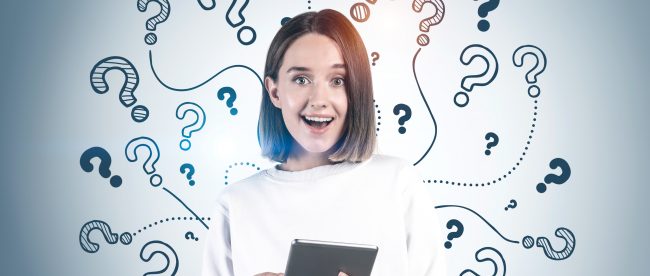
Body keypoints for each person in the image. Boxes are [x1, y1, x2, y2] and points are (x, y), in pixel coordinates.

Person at [202, 9, 447, 276]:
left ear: (356, 91)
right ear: (274, 92)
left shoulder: (398, 183)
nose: (319, 99)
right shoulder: (236, 205)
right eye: (301, 79)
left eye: (338, 80)